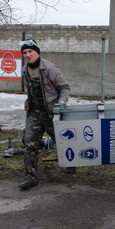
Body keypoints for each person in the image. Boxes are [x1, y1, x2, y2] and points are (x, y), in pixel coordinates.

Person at [18, 39, 73, 190]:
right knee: (29, 143)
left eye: (30, 51)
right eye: (25, 53)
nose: (28, 55)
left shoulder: (50, 68)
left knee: (62, 140)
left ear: (38, 52)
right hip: (34, 112)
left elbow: (65, 87)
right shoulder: (25, 70)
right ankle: (31, 177)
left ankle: (71, 162)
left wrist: (61, 102)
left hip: (51, 112)